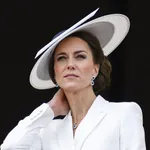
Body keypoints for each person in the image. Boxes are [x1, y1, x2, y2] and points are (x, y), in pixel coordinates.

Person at [1, 8, 146, 150]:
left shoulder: (124, 114)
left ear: (95, 69)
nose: (70, 65)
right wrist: (51, 108)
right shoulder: (48, 130)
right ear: (55, 73)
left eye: (80, 56)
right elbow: (10, 147)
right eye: (62, 58)